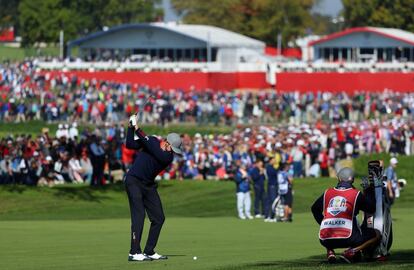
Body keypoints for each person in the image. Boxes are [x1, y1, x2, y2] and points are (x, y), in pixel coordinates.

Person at [124, 114, 183, 262]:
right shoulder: (153, 141)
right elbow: (130, 144)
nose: (172, 152)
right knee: (139, 216)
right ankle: (134, 252)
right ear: (167, 143)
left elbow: (152, 147)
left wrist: (137, 127)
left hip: (148, 185)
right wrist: (130, 128)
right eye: (172, 148)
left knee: (159, 218)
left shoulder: (166, 157)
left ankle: (149, 250)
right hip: (134, 181)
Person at [311, 167, 380, 263]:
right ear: (352, 179)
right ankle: (351, 251)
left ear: (339, 178)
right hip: (349, 238)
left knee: (327, 228)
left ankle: (330, 251)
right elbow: (371, 209)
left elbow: (314, 209)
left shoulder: (327, 192)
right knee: (376, 234)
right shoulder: (356, 194)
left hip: (325, 240)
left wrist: (323, 222)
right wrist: (368, 190)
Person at [264, 157, 278, 222]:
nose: (275, 161)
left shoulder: (272, 167)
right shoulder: (269, 168)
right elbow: (274, 173)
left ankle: (268, 216)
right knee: (273, 201)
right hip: (272, 186)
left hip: (272, 185)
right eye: (273, 160)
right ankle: (271, 217)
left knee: (269, 201)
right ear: (270, 161)